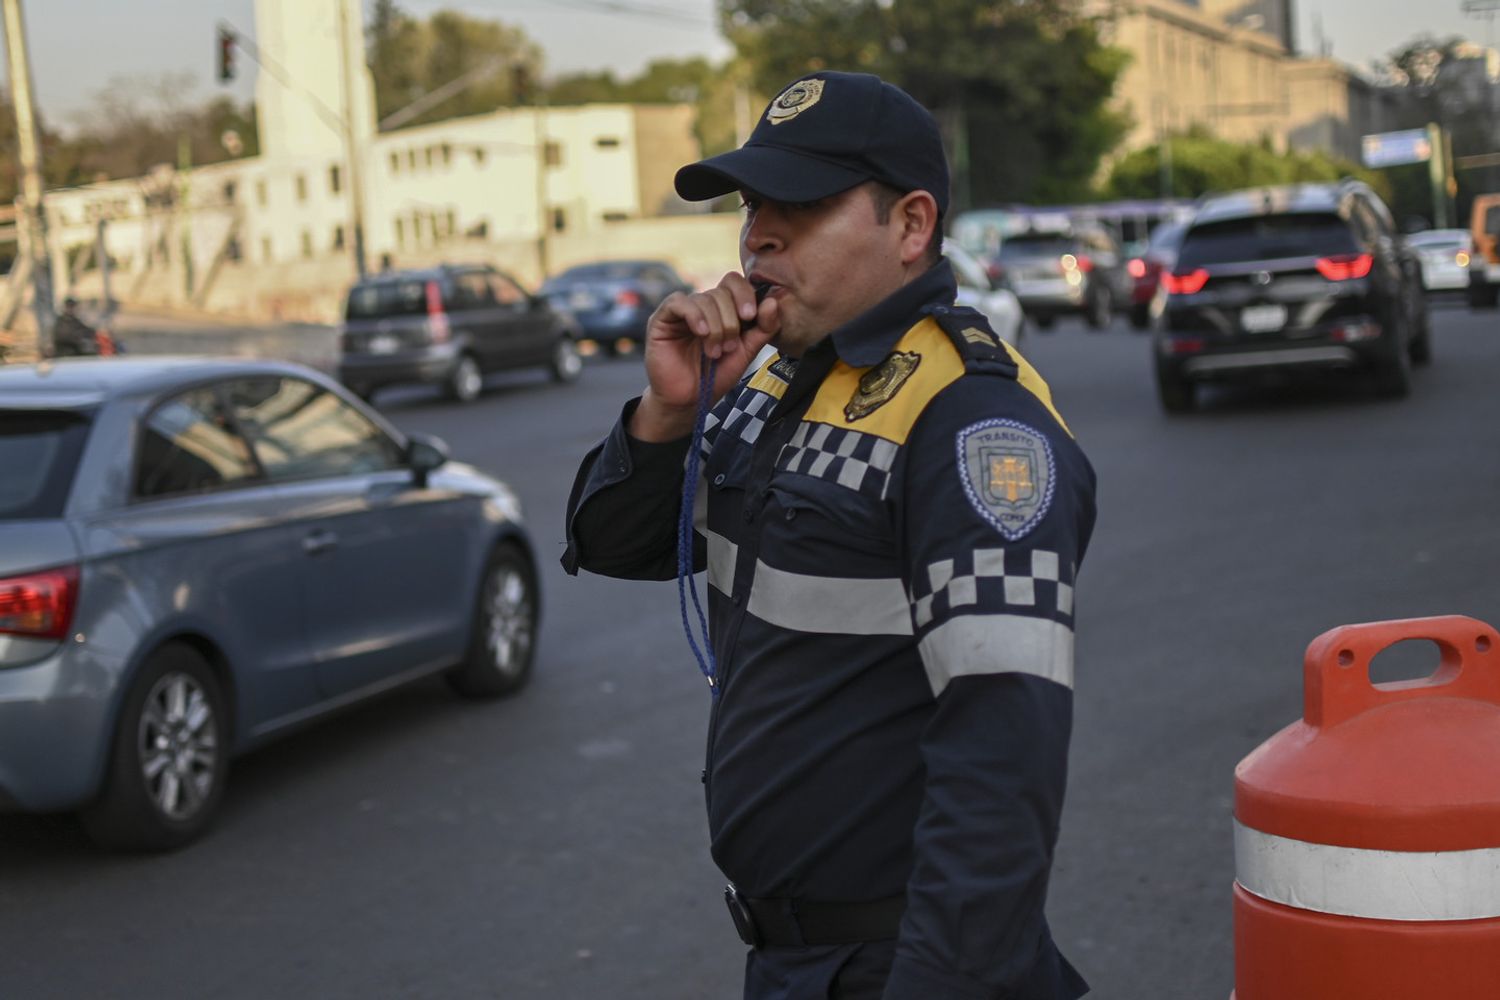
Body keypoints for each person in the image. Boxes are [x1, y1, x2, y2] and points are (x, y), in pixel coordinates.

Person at [563, 71, 1096, 1000]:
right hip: (789, 960)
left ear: (912, 225)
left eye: (800, 205)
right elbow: (614, 545)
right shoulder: (768, 380)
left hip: (899, 960)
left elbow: (1002, 763)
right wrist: (668, 409)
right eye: (753, 203)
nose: (758, 231)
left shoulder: (971, 419)